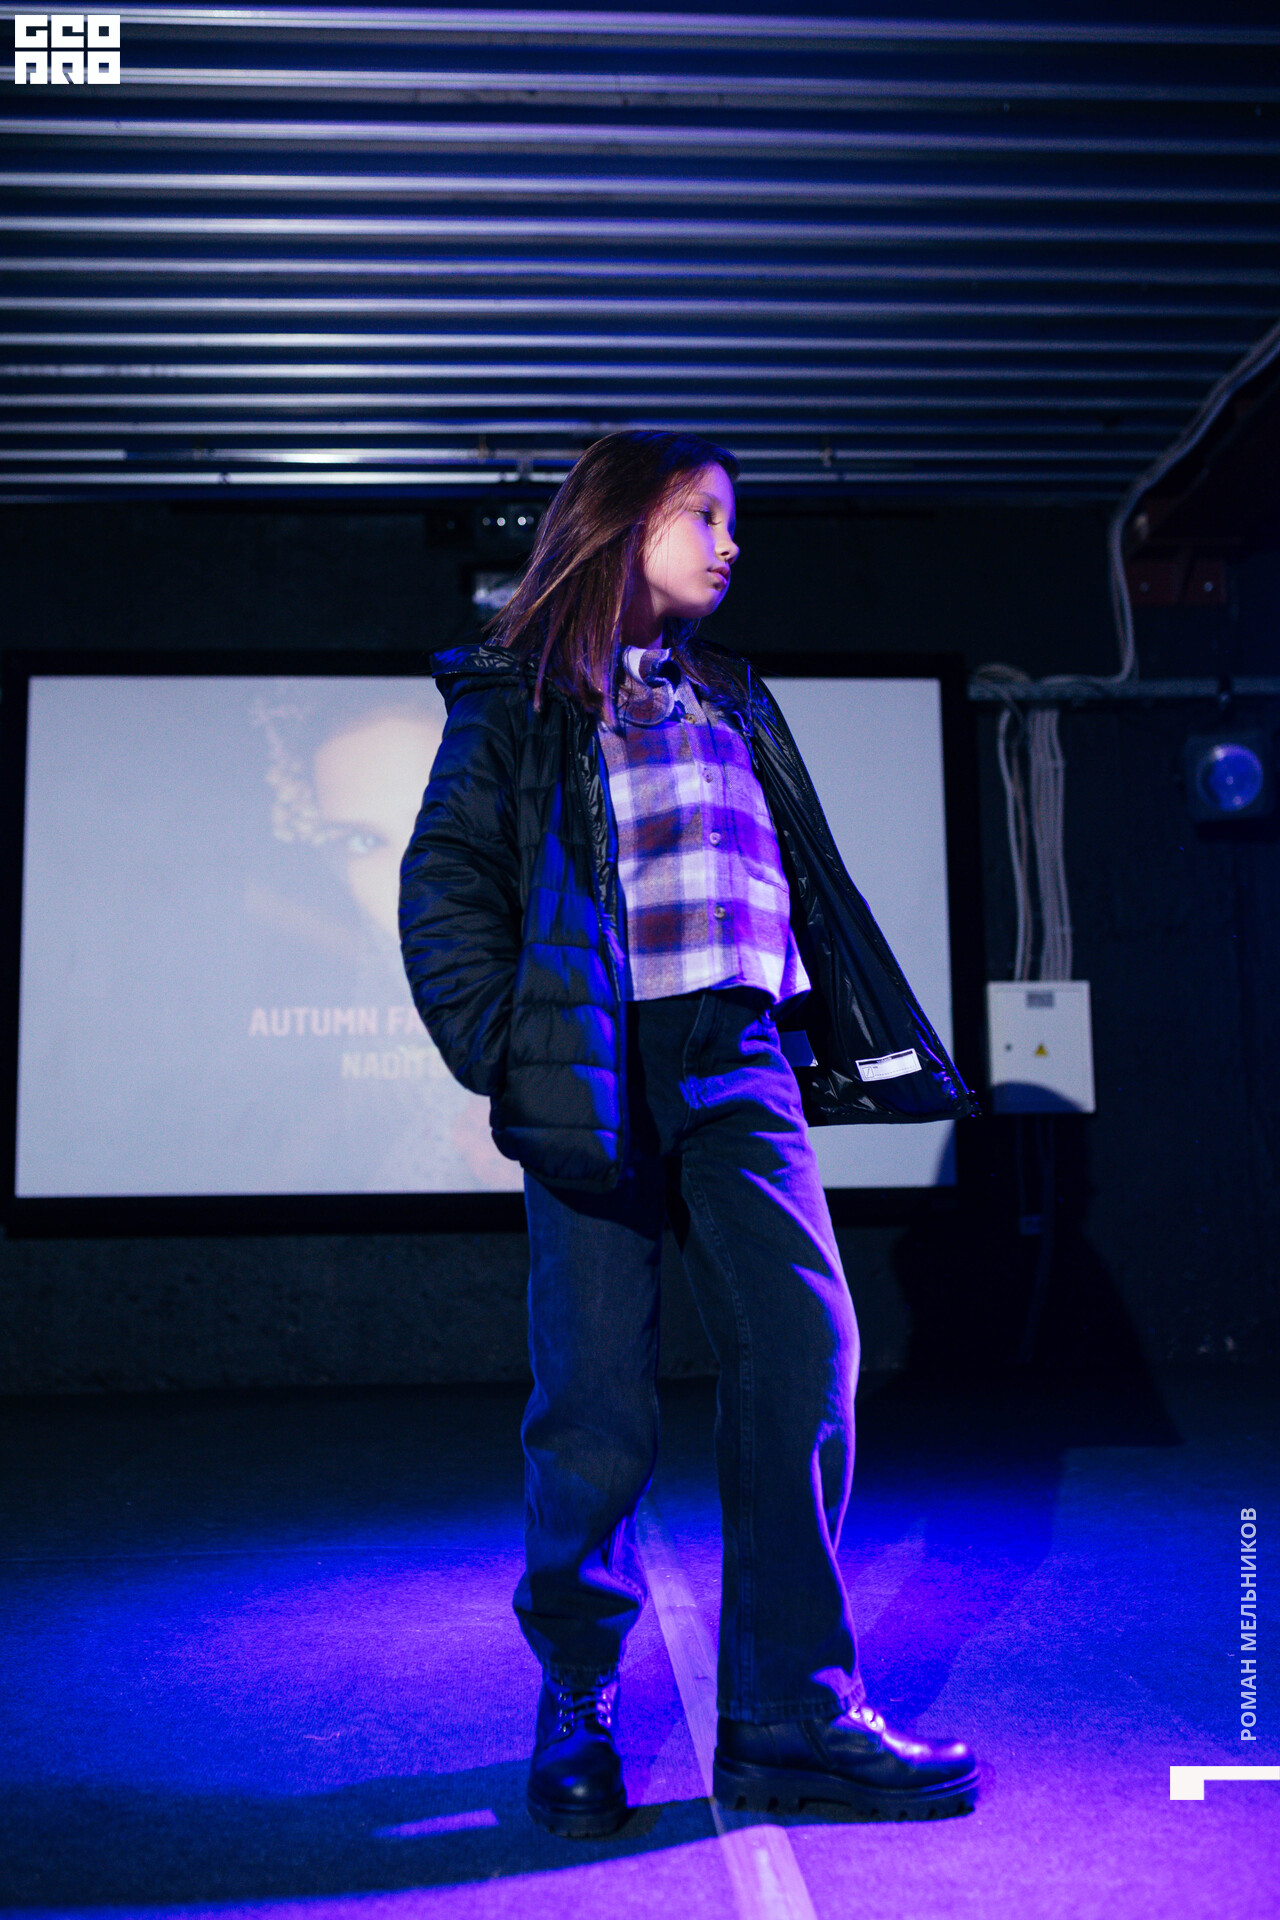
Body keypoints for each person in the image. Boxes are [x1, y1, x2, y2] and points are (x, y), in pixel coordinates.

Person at [399, 430, 981, 1837]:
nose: (732, 543)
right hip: (598, 1065)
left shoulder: (731, 691)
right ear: (620, 521)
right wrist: (516, 1054)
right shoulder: (518, 694)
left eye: (733, 519)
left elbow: (799, 882)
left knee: (806, 1354)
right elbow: (447, 889)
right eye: (705, 514)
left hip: (741, 1058)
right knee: (594, 1404)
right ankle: (577, 1699)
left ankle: (791, 1713)